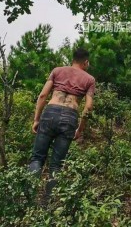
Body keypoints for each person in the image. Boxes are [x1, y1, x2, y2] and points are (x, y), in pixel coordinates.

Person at [28, 48, 95, 202]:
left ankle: (28, 199)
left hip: (50, 112)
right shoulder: (89, 79)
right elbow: (89, 107)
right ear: (85, 62)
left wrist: (36, 119)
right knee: (56, 165)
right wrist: (80, 128)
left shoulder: (57, 71)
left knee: (37, 158)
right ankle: (48, 204)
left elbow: (43, 95)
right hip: (70, 117)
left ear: (73, 59)